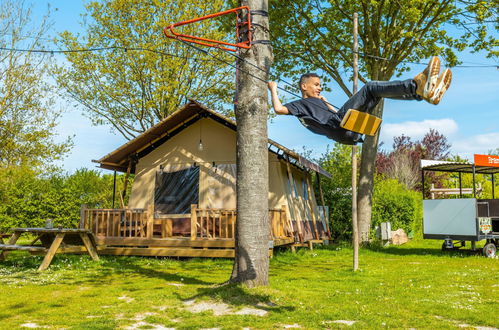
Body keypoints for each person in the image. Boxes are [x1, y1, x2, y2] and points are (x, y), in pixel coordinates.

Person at [268, 56, 452, 145]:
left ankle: (424, 94)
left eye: (320, 85)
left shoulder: (315, 103)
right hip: (342, 126)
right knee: (370, 87)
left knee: (375, 93)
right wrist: (273, 89)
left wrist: (325, 103)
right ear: (304, 86)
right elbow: (278, 109)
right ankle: (416, 86)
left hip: (348, 133)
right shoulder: (299, 105)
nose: (319, 88)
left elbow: (330, 115)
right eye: (316, 85)